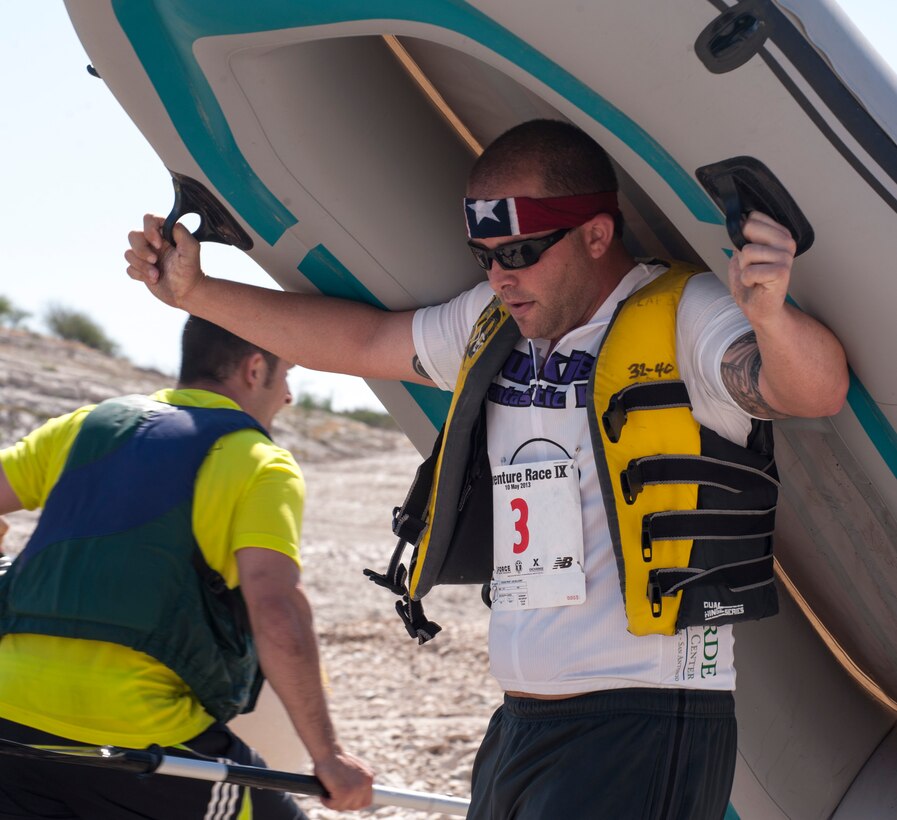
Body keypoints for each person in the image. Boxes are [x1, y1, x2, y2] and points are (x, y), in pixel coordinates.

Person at [125, 119, 849, 819]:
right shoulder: (490, 326)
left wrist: (772, 319)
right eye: (486, 256)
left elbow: (813, 391)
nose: (501, 275)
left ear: (596, 233)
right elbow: (361, 340)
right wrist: (196, 292)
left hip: (646, 711)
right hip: (519, 717)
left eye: (523, 251)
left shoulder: (684, 312)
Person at [0, 316, 373, 819]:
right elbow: (275, 609)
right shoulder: (260, 461)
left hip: (10, 712)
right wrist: (327, 756)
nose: (287, 396)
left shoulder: (85, 424)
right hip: (137, 727)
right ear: (255, 367)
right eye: (286, 375)